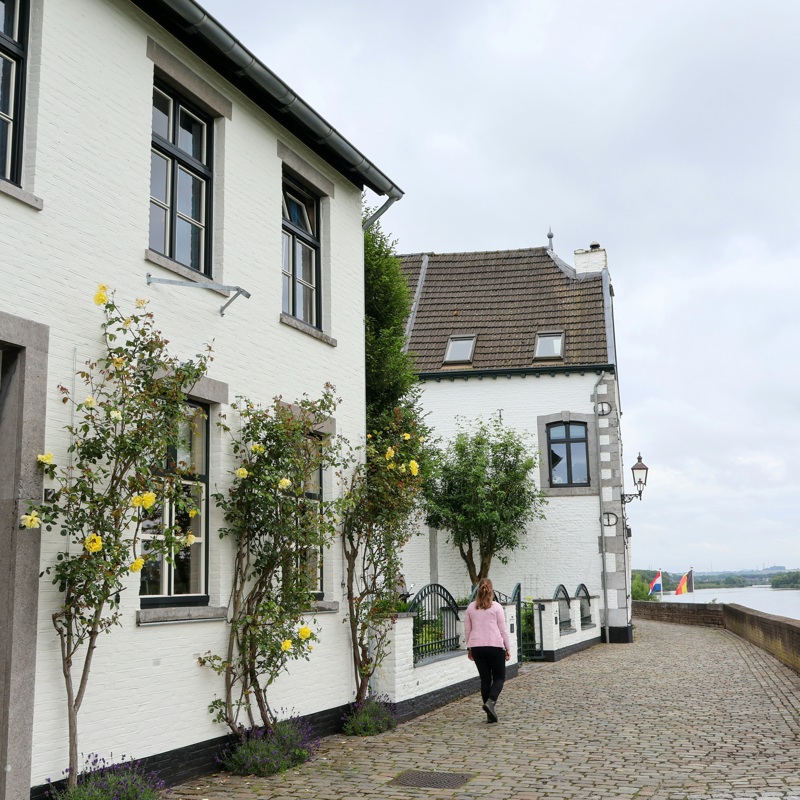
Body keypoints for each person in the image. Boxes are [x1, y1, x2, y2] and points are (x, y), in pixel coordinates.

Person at [464, 578, 511, 723]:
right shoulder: (497, 607)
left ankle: (490, 714)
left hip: (477, 647)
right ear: (491, 591)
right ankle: (491, 702)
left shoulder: (471, 608)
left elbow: (467, 630)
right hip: (495, 646)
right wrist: (507, 648)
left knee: (485, 679)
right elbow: (502, 629)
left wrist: (469, 648)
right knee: (499, 678)